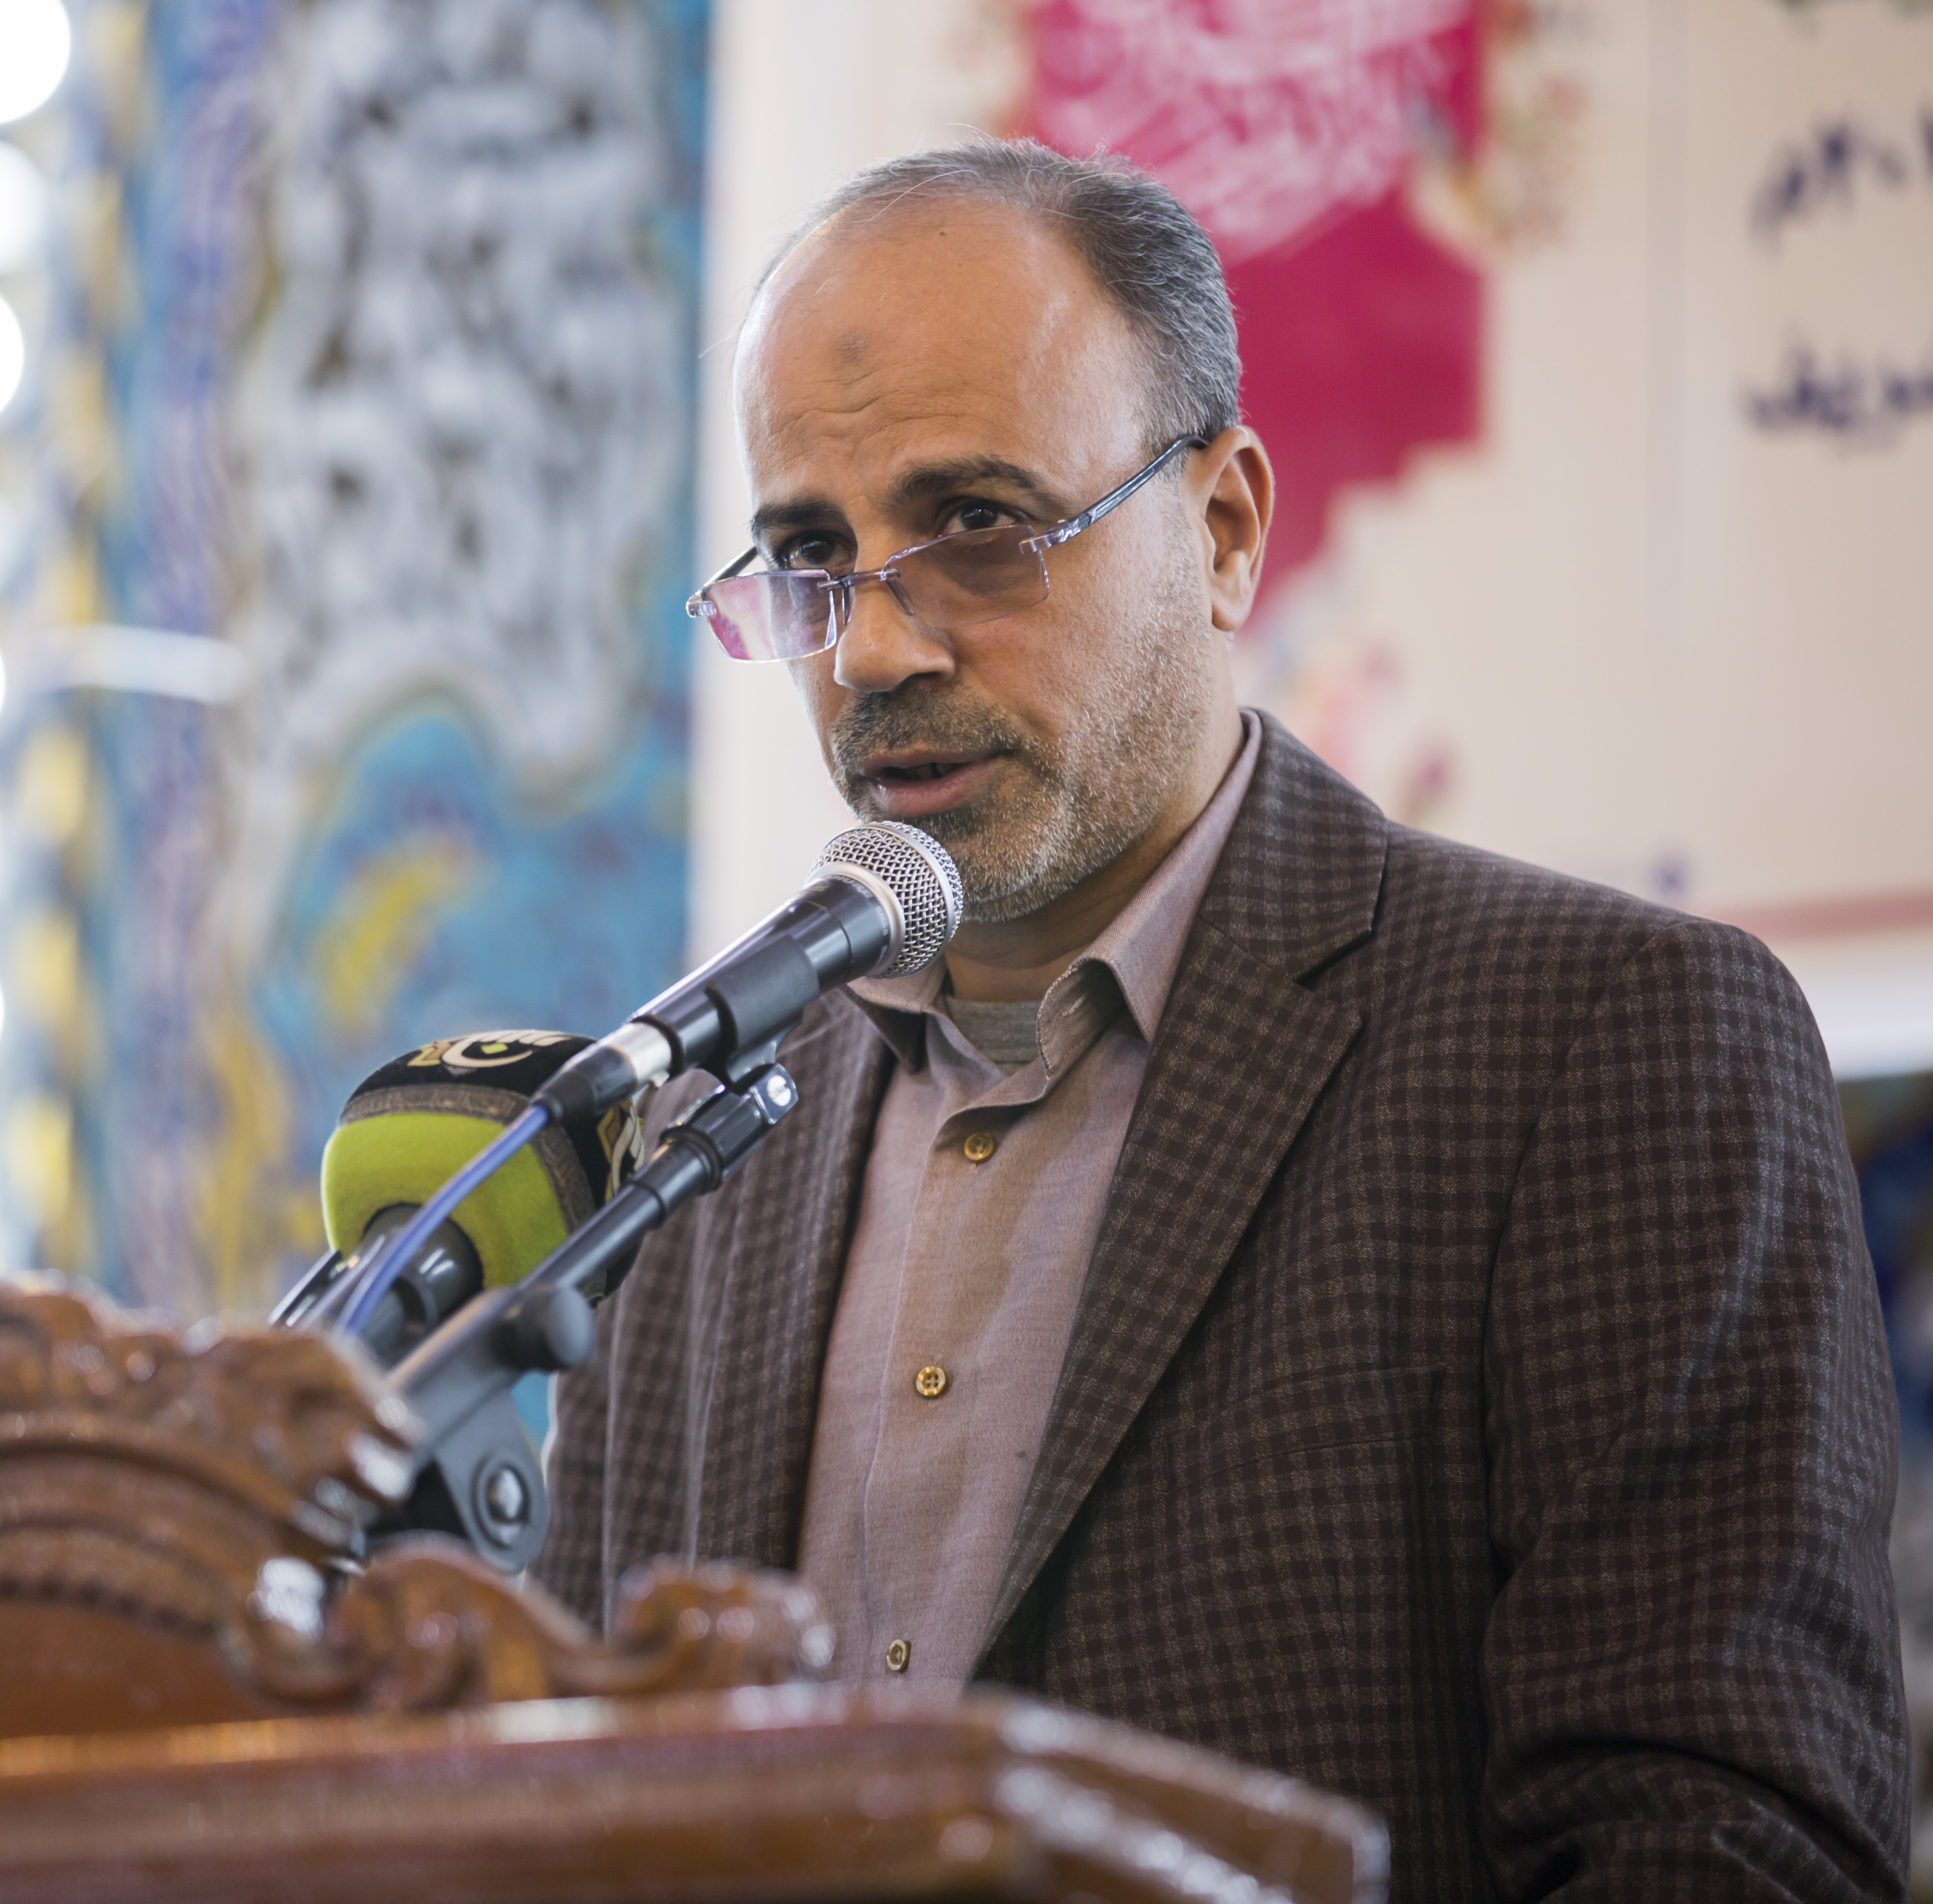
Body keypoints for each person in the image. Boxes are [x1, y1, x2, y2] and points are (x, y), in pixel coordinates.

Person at [533, 140, 1907, 1901]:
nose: (871, 652)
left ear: (1228, 529)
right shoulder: (699, 1136)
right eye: (811, 553)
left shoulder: (1602, 1049)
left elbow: (1729, 1849)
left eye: (978, 526)